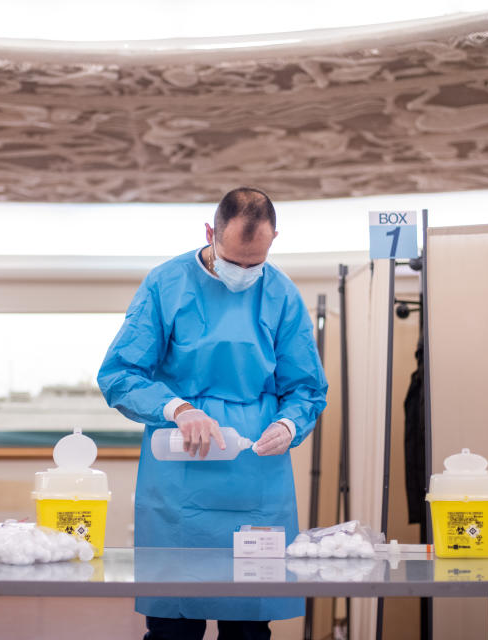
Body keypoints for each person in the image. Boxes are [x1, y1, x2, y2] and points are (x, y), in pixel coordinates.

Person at [97, 187, 328, 640]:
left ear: (274, 239)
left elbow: (306, 388)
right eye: (234, 260)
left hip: (256, 476)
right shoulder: (167, 285)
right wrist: (178, 408)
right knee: (173, 628)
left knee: (247, 628)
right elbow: (120, 374)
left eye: (254, 263)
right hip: (180, 470)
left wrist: (288, 423)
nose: (243, 273)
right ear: (210, 233)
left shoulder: (281, 294)